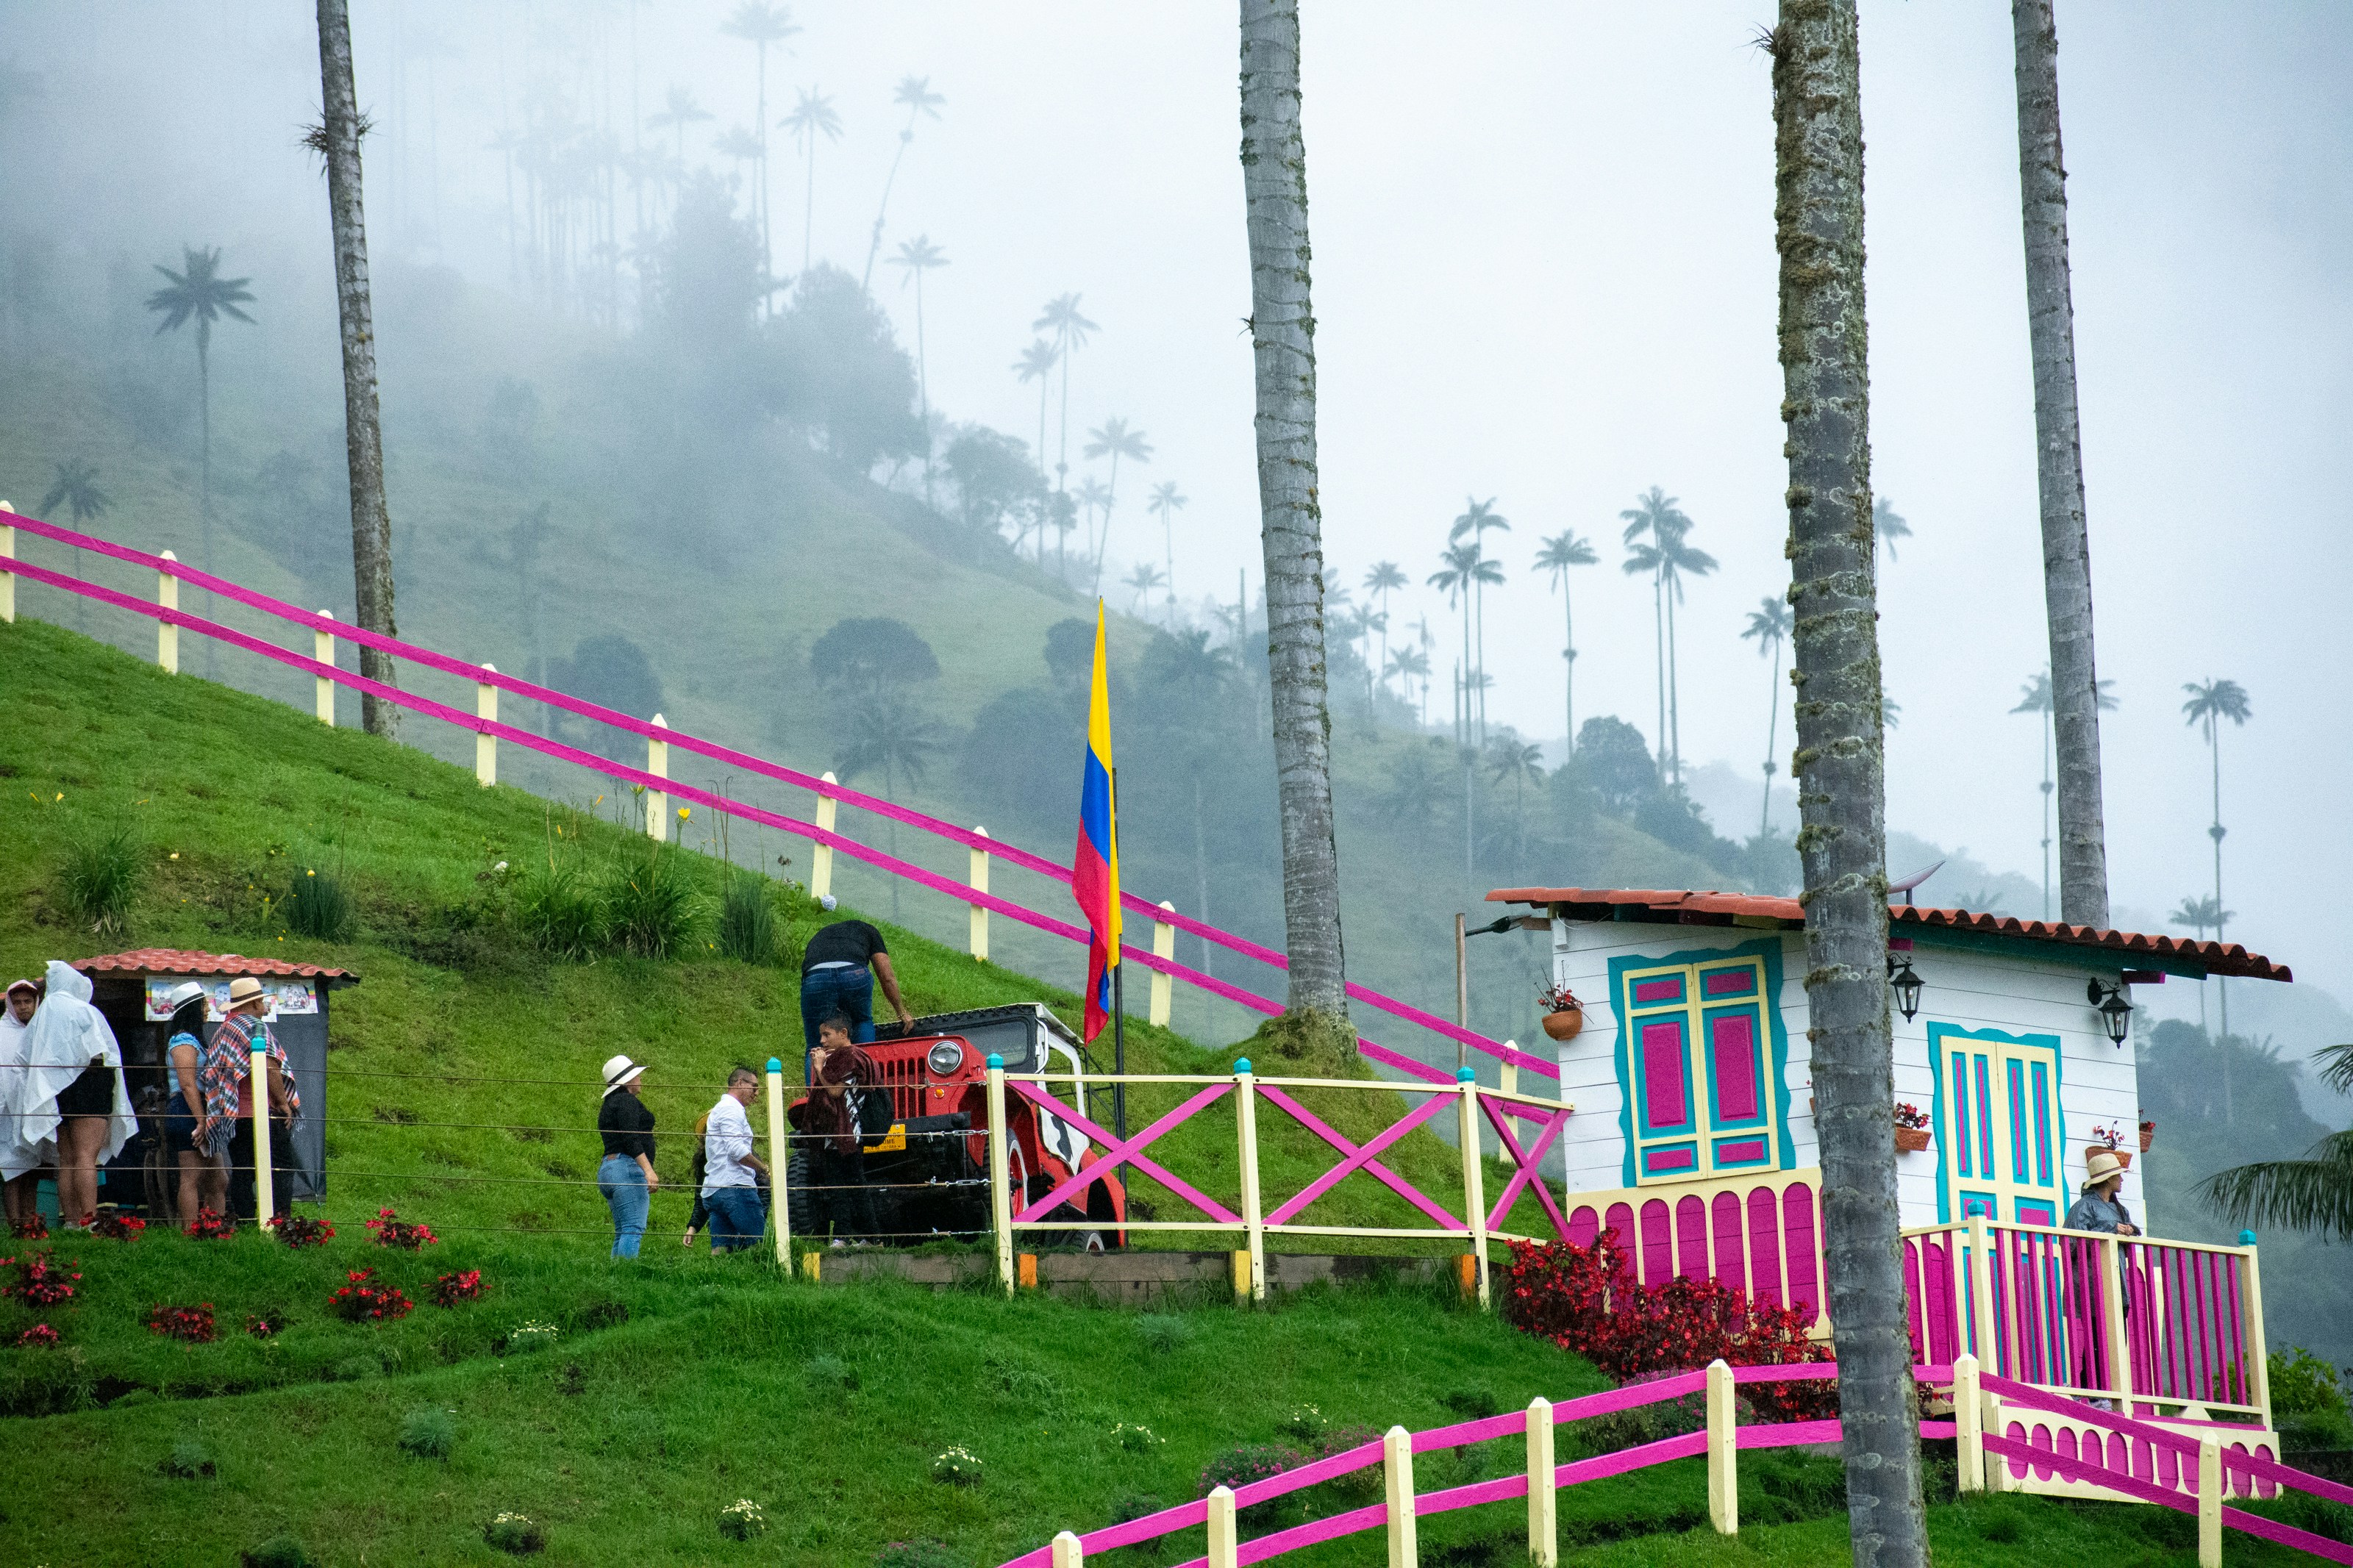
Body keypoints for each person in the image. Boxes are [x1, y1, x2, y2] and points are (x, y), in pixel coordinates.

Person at [4, 962, 137, 1228]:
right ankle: (90, 1219)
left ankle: (72, 1220)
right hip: (90, 1085)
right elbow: (105, 1052)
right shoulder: (85, 1011)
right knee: (87, 1157)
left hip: (58, 1092)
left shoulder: (42, 1017)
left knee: (67, 1159)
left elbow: (23, 1057)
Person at [206, 977, 299, 1223]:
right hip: (262, 1112)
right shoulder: (255, 1028)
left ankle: (245, 1219)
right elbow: (269, 1066)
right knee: (280, 1167)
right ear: (256, 1003)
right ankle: (279, 1219)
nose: (264, 1007)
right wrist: (282, 1102)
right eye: (262, 1002)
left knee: (243, 1170)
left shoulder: (222, 1032)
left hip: (235, 1115)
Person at [798, 917, 910, 1079]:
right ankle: (866, 1087)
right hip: (854, 975)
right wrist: (901, 1012)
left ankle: (814, 1098)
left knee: (816, 1045)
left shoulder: (822, 935)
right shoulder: (870, 931)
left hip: (816, 978)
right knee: (861, 1021)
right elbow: (887, 977)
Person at [804, 1015, 882, 1246]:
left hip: (848, 1132)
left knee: (854, 1186)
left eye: (827, 1034)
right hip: (834, 1134)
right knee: (839, 1186)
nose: (822, 1040)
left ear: (844, 1033)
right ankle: (847, 1236)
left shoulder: (850, 1058)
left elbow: (835, 1092)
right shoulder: (837, 1058)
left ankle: (870, 1237)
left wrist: (819, 1068)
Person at [160, 981, 229, 1228]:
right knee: (191, 1176)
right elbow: (187, 1084)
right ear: (192, 1008)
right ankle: (190, 1231)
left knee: (217, 1179)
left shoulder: (195, 1040)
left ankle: (214, 1229)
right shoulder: (183, 1040)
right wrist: (202, 1121)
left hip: (200, 1109)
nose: (207, 1009)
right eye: (203, 1004)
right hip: (188, 1109)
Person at [701, 1066, 771, 1253]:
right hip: (736, 1185)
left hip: (715, 1189)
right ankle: (761, 1278)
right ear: (740, 1083)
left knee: (721, 1250)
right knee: (757, 1245)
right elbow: (737, 1151)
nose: (756, 1094)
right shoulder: (731, 1109)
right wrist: (763, 1168)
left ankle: (720, 1280)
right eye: (754, 1087)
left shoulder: (721, 1109)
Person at [596, 1054, 660, 1259]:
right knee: (633, 1227)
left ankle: (617, 1277)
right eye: (637, 1075)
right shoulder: (626, 1101)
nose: (641, 1078)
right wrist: (648, 1170)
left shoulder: (609, 1104)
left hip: (609, 1168)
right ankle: (626, 1275)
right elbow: (631, 1138)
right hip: (626, 1169)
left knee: (623, 1230)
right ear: (627, 1081)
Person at [0, 979, 41, 1228]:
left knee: (33, 1167)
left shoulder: (40, 1030)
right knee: (10, 1166)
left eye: (28, 1001)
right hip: (6, 1110)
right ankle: (14, 1223)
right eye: (17, 1002)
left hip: (33, 1109)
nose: (23, 1007)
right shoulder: (2, 1032)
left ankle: (32, 1221)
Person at [2065, 1150, 2140, 1236]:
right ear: (2109, 1179)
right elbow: (2073, 1241)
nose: (2122, 1179)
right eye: (2119, 1175)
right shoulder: (2084, 1206)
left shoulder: (2122, 1210)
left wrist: (2130, 1230)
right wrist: (2111, 1228)